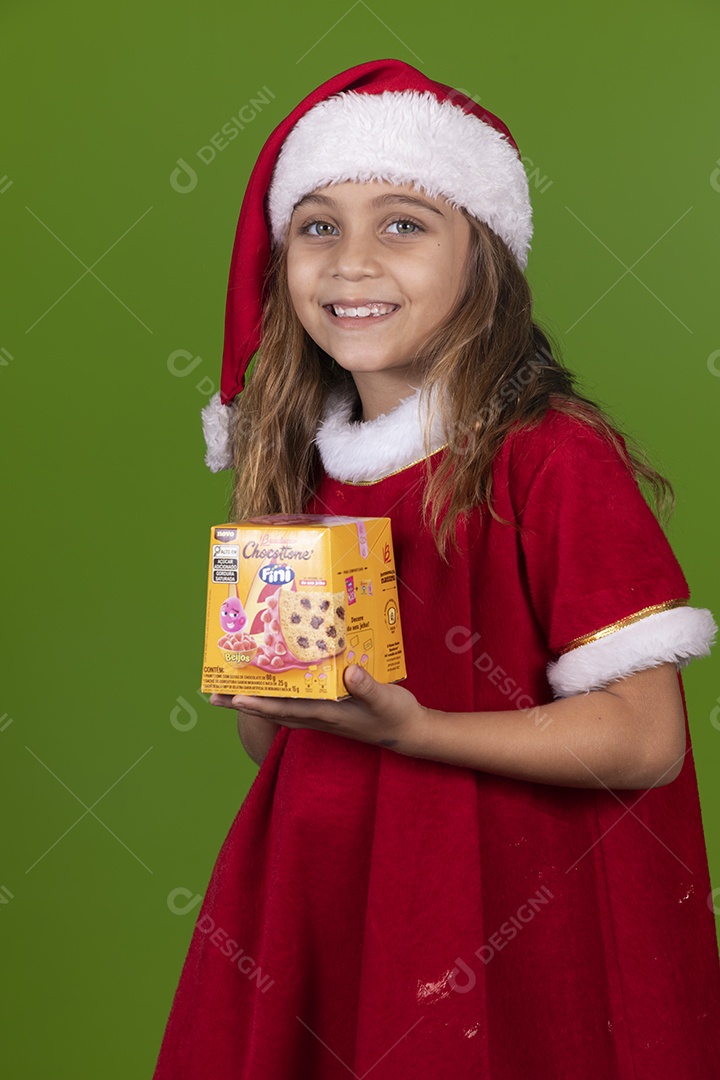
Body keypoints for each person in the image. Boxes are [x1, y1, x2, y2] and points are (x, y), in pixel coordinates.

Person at [153, 59, 720, 1078]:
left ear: (484, 257)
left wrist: (419, 730)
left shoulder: (552, 459)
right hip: (325, 893)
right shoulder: (300, 464)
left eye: (403, 223)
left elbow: (645, 740)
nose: (351, 263)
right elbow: (271, 744)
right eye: (318, 226)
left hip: (498, 911)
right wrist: (267, 680)